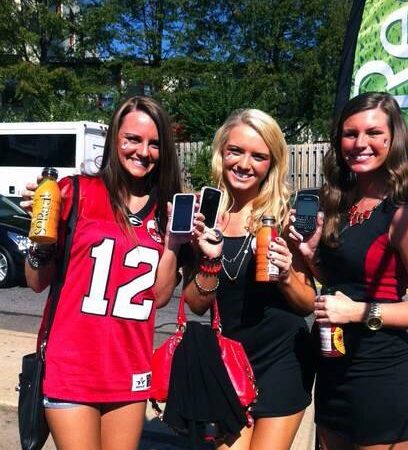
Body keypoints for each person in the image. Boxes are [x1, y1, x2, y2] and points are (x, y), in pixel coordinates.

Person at [21, 96, 184, 450]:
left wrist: (173, 244)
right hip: (72, 368)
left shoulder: (166, 210)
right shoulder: (75, 191)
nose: (143, 152)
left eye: (154, 143)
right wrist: (40, 237)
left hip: (129, 369)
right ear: (114, 139)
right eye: (132, 139)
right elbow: (35, 283)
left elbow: (159, 297)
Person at [289, 92, 408, 450]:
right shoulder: (341, 205)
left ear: (393, 140)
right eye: (350, 133)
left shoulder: (406, 215)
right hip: (332, 368)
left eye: (374, 133)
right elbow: (346, 283)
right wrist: (311, 256)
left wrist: (358, 312)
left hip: (381, 373)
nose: (360, 143)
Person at [184, 109, 316, 450]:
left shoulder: (284, 218)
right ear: (221, 152)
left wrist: (285, 275)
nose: (244, 164)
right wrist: (209, 262)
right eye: (236, 151)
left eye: (258, 156)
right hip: (228, 362)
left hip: (283, 361)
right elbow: (196, 305)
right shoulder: (203, 216)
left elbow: (307, 303)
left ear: (271, 163)